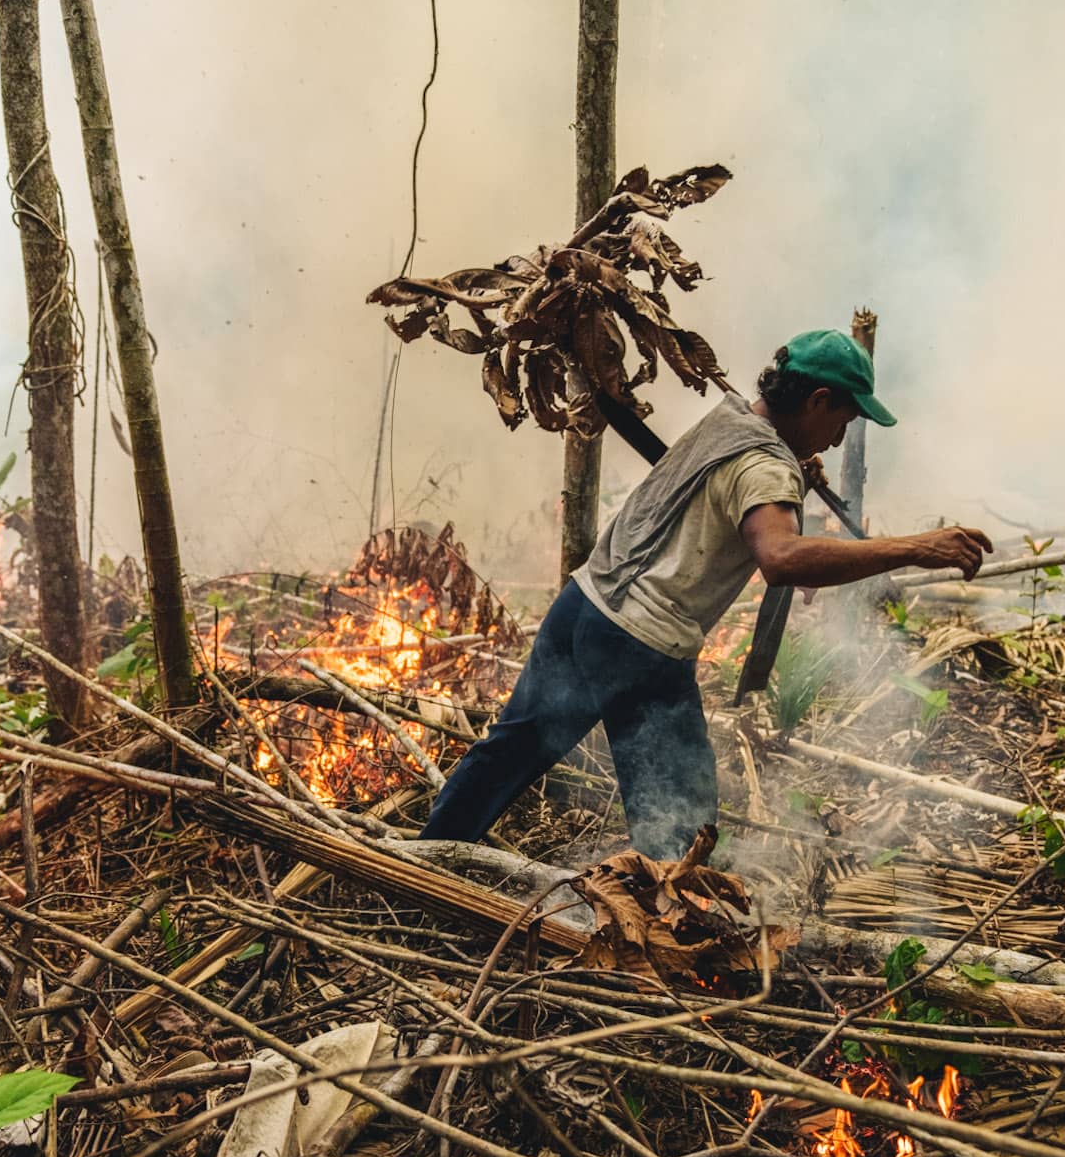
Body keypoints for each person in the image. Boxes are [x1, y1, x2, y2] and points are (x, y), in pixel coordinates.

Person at [417, 329, 993, 858]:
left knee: (509, 752)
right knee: (681, 824)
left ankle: (422, 862)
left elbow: (760, 523)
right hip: (639, 645)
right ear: (817, 400)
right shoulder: (764, 464)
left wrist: (793, 470)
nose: (840, 440)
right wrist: (921, 547)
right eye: (841, 420)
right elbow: (782, 557)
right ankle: (662, 945)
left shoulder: (732, 421)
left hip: (585, 606)